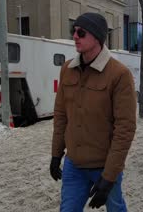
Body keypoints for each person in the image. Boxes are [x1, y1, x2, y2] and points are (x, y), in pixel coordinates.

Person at [50, 12, 137, 211]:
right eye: (74, 31)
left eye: (81, 33)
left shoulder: (120, 74)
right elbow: (61, 115)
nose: (75, 36)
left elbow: (125, 129)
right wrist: (56, 154)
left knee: (115, 208)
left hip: (105, 165)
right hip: (74, 165)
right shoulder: (67, 69)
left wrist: (109, 177)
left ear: (97, 37)